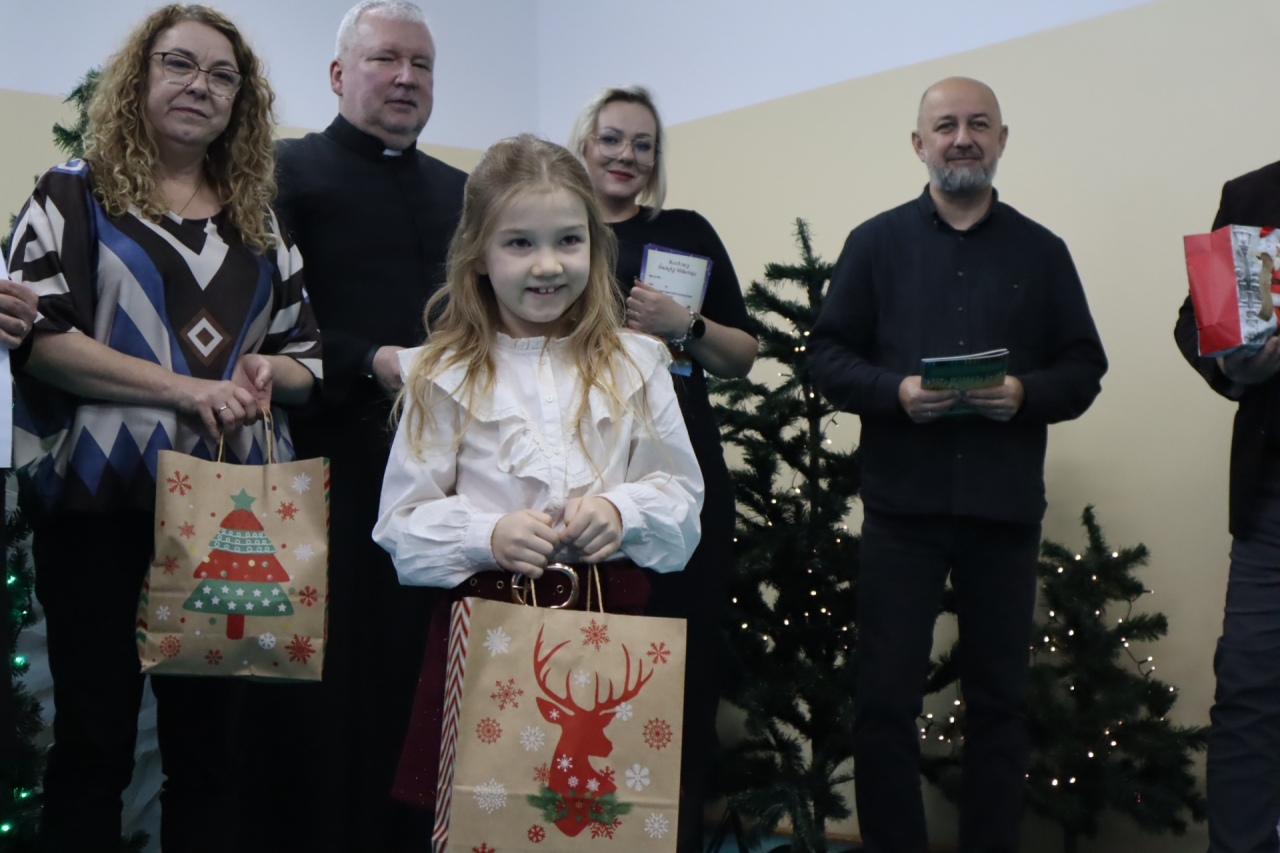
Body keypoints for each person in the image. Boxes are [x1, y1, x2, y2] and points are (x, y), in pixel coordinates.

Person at [4, 5, 321, 850]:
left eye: (222, 76)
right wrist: (185, 389)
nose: (200, 87)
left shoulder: (259, 220)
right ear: (138, 80)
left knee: (211, 751)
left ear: (240, 103)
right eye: (179, 66)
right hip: (99, 510)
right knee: (95, 743)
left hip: (230, 519)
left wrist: (266, 373)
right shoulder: (72, 191)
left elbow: (306, 362)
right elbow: (37, 340)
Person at [808, 77, 1107, 853]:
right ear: (919, 144)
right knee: (883, 706)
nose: (962, 137)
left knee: (1000, 705)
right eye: (945, 125)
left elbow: (1084, 367)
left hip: (1004, 512)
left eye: (979, 124)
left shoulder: (1043, 252)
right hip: (901, 511)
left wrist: (1025, 392)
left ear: (1003, 139)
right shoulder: (874, 244)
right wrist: (895, 390)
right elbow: (826, 358)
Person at [372, 133, 704, 813]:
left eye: (568, 241)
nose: (548, 265)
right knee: (487, 814)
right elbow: (401, 527)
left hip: (612, 628)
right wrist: (486, 534)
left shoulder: (637, 363)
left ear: (594, 244)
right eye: (520, 243)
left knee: (597, 818)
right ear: (479, 256)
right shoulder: (440, 374)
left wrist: (621, 512)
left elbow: (682, 503)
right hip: (488, 633)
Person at [237, 2, 467, 850]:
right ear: (339, 76)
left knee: (421, 676)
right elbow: (258, 319)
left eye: (423, 64)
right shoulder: (285, 173)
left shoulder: (462, 193)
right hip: (323, 463)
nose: (406, 77)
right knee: (317, 686)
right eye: (385, 60)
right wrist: (373, 358)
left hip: (444, 477)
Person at [566, 84, 758, 851]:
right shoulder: (554, 231)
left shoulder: (685, 232)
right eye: (612, 139)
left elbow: (742, 356)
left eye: (642, 144)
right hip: (580, 479)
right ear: (584, 144)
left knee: (681, 670)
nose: (626, 156)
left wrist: (689, 325)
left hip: (684, 476)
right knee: (590, 673)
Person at [1175, 162, 1280, 852]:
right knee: (1249, 697)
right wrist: (1229, 362)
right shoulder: (1254, 196)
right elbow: (1197, 324)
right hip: (1276, 495)